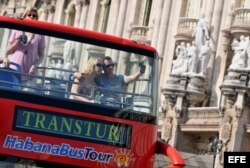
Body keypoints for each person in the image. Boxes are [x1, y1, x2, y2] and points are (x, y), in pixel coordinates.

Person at [2, 7, 45, 83]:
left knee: (25, 93)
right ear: (25, 16)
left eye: (34, 16)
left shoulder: (40, 34)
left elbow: (41, 55)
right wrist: (16, 43)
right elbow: (7, 51)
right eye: (29, 15)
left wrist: (35, 65)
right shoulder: (17, 29)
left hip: (29, 73)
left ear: (37, 18)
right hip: (14, 68)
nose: (32, 17)